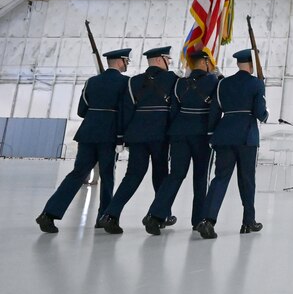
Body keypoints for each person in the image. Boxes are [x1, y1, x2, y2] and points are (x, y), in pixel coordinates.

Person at [37, 48, 131, 234]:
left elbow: (82, 110)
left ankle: (49, 213)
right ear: (120, 61)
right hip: (109, 135)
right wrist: (122, 137)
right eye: (126, 60)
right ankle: (104, 217)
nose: (127, 64)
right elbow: (125, 112)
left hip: (87, 133)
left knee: (77, 174)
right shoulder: (126, 83)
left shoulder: (91, 82)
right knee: (107, 176)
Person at [101, 46, 178, 234]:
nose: (169, 63)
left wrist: (121, 137)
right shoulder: (173, 80)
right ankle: (160, 215)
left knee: (132, 176)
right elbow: (175, 109)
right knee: (161, 174)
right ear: (161, 60)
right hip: (160, 135)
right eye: (168, 59)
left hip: (137, 135)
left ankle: (110, 214)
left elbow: (126, 111)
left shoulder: (133, 81)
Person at [196, 48, 269, 239]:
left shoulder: (223, 84)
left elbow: (215, 110)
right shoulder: (256, 83)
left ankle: (207, 220)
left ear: (238, 63)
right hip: (246, 137)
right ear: (252, 65)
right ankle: (248, 221)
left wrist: (212, 133)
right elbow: (260, 113)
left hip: (224, 135)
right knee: (247, 180)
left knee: (219, 179)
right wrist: (265, 109)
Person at [144, 49, 219, 234]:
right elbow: (215, 110)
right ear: (204, 62)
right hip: (202, 135)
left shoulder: (179, 84)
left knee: (175, 175)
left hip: (178, 133)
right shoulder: (214, 82)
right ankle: (199, 220)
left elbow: (173, 111)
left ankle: (155, 215)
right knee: (201, 178)